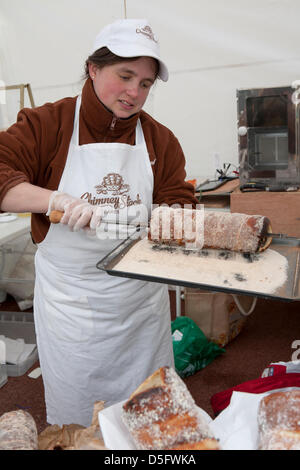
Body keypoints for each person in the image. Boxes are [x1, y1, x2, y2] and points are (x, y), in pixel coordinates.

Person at [0, 18, 198, 427]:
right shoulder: (46, 125)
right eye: (125, 76)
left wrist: (175, 220)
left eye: (145, 84)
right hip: (74, 307)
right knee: (80, 423)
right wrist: (52, 198)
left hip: (140, 307)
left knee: (148, 415)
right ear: (93, 68)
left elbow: (178, 199)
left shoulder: (160, 139)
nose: (134, 92)